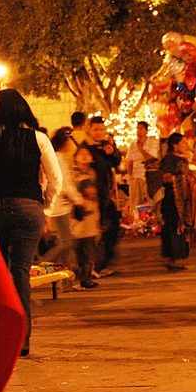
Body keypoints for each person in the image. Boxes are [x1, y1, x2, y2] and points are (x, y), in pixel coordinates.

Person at [0, 89, 63, 357]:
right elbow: (56, 179)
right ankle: (22, 340)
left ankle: (1, 335)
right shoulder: (40, 139)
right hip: (29, 209)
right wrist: (44, 205)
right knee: (20, 272)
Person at [84, 117, 122, 276]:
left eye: (101, 130)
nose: (99, 133)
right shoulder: (86, 149)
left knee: (111, 229)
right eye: (96, 129)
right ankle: (94, 266)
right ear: (89, 129)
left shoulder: (105, 147)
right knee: (97, 232)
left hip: (106, 194)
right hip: (93, 195)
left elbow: (116, 162)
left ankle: (101, 262)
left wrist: (113, 151)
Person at [41, 128, 83, 270]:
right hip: (59, 205)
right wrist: (77, 199)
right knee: (67, 242)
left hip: (57, 203)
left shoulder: (55, 156)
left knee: (65, 242)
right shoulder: (58, 158)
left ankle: (66, 277)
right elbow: (63, 183)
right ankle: (41, 265)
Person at [160, 134, 192, 270]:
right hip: (172, 199)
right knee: (173, 227)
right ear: (175, 145)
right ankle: (171, 259)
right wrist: (181, 178)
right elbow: (166, 177)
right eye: (183, 143)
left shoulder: (182, 159)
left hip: (180, 199)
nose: (186, 145)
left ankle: (174, 259)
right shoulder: (169, 159)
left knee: (177, 227)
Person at [71, 179, 102, 290]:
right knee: (87, 259)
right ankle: (86, 280)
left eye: (93, 188)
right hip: (83, 234)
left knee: (87, 259)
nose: (92, 190)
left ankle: (86, 279)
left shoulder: (93, 202)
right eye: (89, 188)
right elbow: (78, 216)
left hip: (90, 233)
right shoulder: (81, 203)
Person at [126, 121, 159, 219]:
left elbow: (152, 158)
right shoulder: (132, 145)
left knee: (149, 202)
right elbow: (130, 162)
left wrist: (141, 149)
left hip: (149, 177)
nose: (138, 131)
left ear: (146, 130)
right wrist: (130, 176)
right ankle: (136, 222)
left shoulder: (153, 142)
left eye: (141, 128)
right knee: (136, 202)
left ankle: (150, 222)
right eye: (137, 129)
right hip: (136, 177)